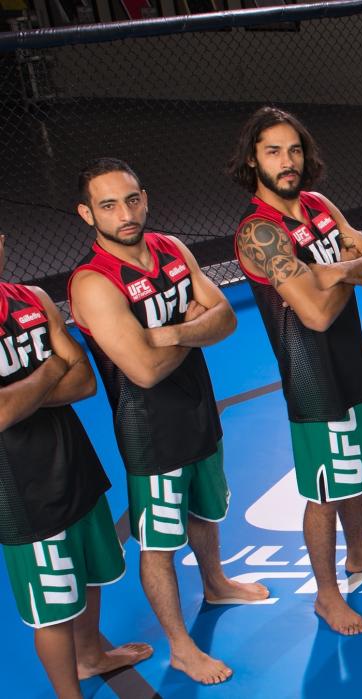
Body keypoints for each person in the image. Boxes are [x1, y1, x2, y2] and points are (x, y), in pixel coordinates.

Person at [69, 158, 268, 684]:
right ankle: (180, 646)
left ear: (145, 197)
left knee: (206, 509)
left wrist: (171, 333)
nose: (125, 213)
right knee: (159, 540)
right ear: (87, 213)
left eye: (131, 199)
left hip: (200, 408)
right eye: (108, 205)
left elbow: (225, 317)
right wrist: (188, 324)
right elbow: (143, 370)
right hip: (149, 429)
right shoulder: (93, 283)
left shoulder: (172, 250)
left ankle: (216, 582)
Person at [228, 107, 362, 636]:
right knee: (325, 488)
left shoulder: (319, 206)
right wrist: (348, 271)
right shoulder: (259, 232)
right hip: (312, 377)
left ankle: (360, 552)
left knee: (359, 469)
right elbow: (313, 313)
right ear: (251, 161)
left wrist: (333, 271)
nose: (287, 162)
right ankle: (326, 595)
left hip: (352, 361)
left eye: (294, 150)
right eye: (273, 152)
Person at [0, 232, 152, 697]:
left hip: (74, 462)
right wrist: (48, 368)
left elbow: (83, 379)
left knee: (89, 573)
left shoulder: (33, 298)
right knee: (52, 608)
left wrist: (24, 392)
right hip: (23, 489)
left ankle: (90, 657)